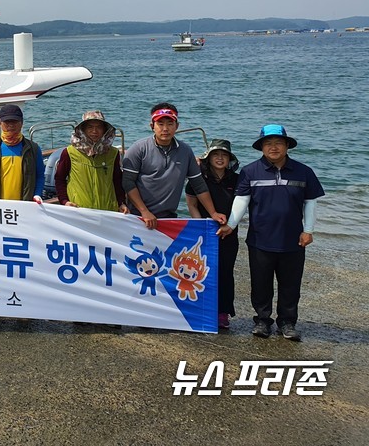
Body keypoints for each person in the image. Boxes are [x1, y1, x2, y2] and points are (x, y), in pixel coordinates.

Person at [217, 125, 324, 341]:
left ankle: (287, 322)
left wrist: (308, 230)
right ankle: (262, 321)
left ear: (286, 146)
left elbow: (310, 203)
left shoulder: (304, 171)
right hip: (259, 240)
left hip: (293, 241)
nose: (273, 147)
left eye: (278, 143)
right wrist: (230, 224)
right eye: (268, 143)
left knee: (290, 285)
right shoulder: (250, 171)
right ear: (261, 147)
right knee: (260, 284)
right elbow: (241, 201)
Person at [122, 103, 227, 229]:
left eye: (170, 124)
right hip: (138, 216)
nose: (165, 129)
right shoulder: (139, 148)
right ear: (152, 126)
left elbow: (198, 185)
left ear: (177, 126)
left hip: (168, 217)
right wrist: (144, 211)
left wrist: (213, 213)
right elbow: (128, 182)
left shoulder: (186, 151)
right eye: (160, 124)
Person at [186, 139, 240, 330]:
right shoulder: (198, 179)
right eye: (215, 154)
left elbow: (241, 207)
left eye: (224, 155)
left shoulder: (236, 180)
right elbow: (192, 204)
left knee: (225, 273)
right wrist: (202, 226)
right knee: (200, 272)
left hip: (229, 233)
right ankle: (200, 309)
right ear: (208, 158)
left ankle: (223, 313)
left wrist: (231, 225)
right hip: (203, 233)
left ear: (229, 159)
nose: (219, 158)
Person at [0, 104, 45, 203]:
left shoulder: (34, 149)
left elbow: (40, 175)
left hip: (25, 205)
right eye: (7, 122)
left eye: (14, 122)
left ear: (22, 123)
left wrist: (37, 194)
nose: (11, 125)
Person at [54, 110, 125, 211]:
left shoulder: (113, 153)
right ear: (83, 129)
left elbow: (117, 181)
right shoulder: (69, 152)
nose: (94, 131)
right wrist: (64, 201)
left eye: (99, 127)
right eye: (90, 127)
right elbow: (59, 179)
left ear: (105, 130)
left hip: (108, 210)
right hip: (79, 210)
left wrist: (121, 203)